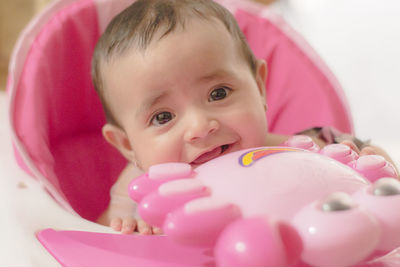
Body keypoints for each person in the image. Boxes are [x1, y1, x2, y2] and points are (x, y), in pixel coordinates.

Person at [91, 0, 397, 235]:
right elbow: (96, 233)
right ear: (127, 144)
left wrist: (378, 168)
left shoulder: (314, 147)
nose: (199, 127)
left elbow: (376, 172)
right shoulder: (135, 188)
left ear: (260, 87)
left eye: (219, 93)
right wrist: (132, 227)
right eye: (163, 117)